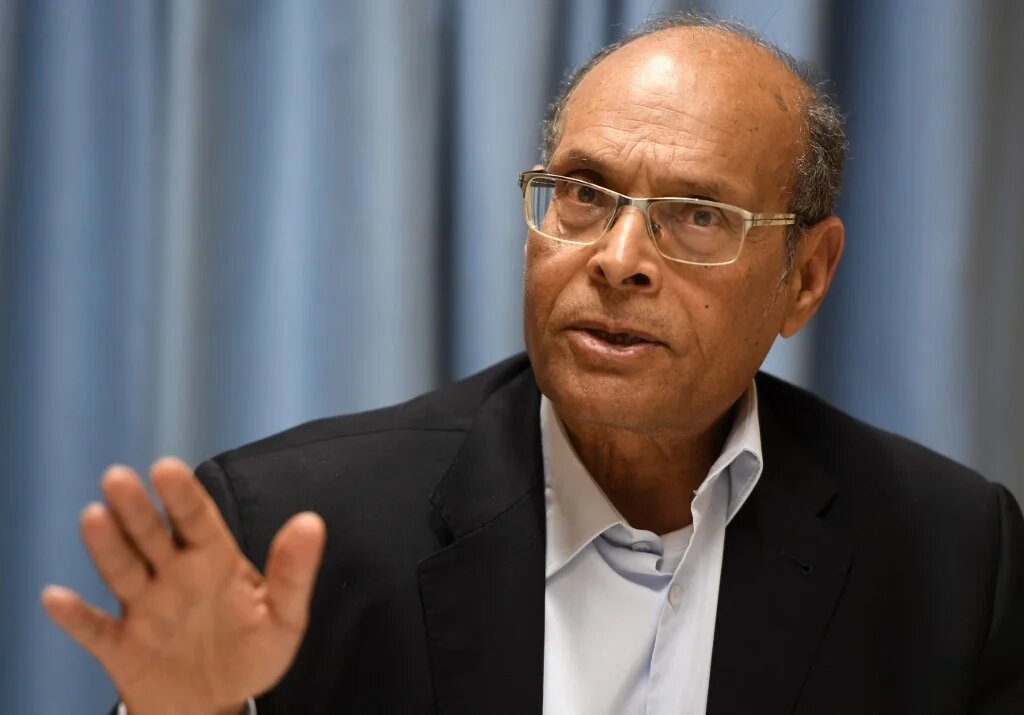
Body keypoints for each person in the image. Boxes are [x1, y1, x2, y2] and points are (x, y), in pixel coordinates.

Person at [42, 14, 1023, 715]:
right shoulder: (292, 532)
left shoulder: (947, 554)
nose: (618, 258)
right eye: (583, 193)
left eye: (696, 215)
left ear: (804, 277)